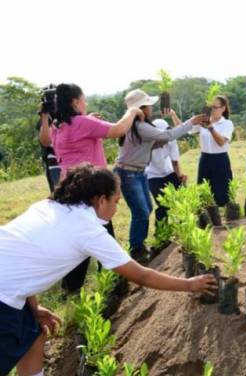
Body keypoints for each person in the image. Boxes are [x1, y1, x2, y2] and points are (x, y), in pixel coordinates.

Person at [0, 164, 217, 376]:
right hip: (3, 300)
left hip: (9, 288)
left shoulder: (48, 207)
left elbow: (21, 259)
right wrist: (189, 284)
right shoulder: (88, 229)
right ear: (101, 200)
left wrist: (34, 308)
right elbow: (141, 275)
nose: (116, 208)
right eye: (116, 202)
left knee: (33, 336)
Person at [38, 83, 143, 294]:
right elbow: (118, 129)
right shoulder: (82, 123)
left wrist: (89, 121)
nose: (85, 102)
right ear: (76, 102)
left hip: (69, 186)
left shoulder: (59, 126)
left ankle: (73, 287)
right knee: (99, 236)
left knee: (83, 236)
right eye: (83, 99)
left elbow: (46, 140)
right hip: (91, 187)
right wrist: (132, 111)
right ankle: (113, 282)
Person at [115, 89, 208, 262]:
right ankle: (136, 249)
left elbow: (162, 140)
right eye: (149, 105)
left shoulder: (136, 125)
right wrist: (191, 122)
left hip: (138, 172)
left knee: (147, 209)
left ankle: (139, 246)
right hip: (129, 173)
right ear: (141, 108)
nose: (152, 108)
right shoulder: (140, 127)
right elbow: (168, 135)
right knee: (141, 212)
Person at [191, 95, 234, 207]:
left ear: (223, 108)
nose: (212, 110)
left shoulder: (227, 124)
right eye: (211, 107)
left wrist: (210, 127)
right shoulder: (203, 122)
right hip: (205, 159)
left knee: (222, 193)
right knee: (204, 193)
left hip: (220, 160)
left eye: (215, 107)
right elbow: (185, 129)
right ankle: (207, 221)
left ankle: (225, 219)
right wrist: (173, 115)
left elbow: (221, 142)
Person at [146, 116, 187, 225]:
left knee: (181, 199)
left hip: (169, 172)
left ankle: (184, 226)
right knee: (163, 205)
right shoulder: (147, 143)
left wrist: (180, 177)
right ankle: (162, 234)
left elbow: (175, 162)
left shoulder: (171, 139)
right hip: (152, 176)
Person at [35, 116, 61, 192]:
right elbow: (46, 141)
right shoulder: (47, 118)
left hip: (54, 159)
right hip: (52, 160)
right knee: (57, 190)